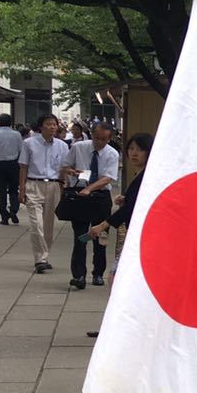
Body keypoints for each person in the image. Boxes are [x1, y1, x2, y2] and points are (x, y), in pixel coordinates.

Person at [61, 122, 119, 289]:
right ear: (91, 134)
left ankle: (98, 273)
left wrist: (90, 188)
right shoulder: (78, 147)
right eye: (96, 138)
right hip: (80, 196)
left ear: (109, 139)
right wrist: (71, 172)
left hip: (100, 197)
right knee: (80, 236)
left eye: (103, 139)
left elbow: (108, 178)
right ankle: (79, 275)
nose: (99, 142)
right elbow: (65, 165)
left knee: (100, 236)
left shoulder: (112, 154)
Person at [19, 114, 68, 273]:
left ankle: (44, 257)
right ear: (41, 127)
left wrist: (63, 185)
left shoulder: (62, 146)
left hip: (54, 186)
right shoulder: (28, 143)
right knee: (36, 224)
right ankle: (40, 259)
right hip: (34, 184)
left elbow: (63, 168)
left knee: (48, 225)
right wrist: (22, 188)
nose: (53, 127)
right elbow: (23, 166)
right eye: (49, 124)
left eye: (54, 124)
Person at [0, 113, 23, 225]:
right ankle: (14, 210)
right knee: (13, 189)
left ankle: (4, 215)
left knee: (1, 191)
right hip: (13, 164)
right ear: (11, 122)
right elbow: (21, 150)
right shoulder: (17, 134)